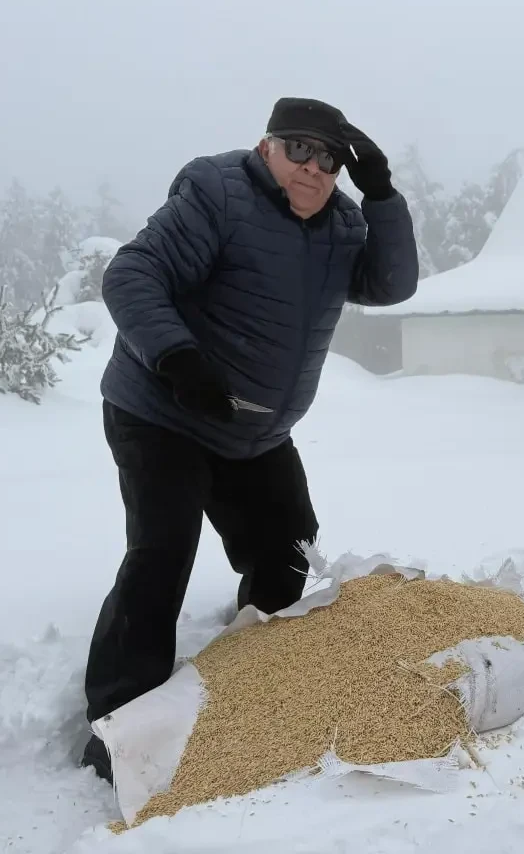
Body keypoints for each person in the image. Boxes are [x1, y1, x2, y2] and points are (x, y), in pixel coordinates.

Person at [80, 97, 418, 783]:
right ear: (267, 147)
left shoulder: (342, 226)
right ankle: (120, 726)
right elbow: (132, 274)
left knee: (289, 548)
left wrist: (381, 194)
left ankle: (255, 679)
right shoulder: (217, 195)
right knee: (162, 552)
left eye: (331, 159)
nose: (314, 168)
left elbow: (392, 285)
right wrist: (178, 359)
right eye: (300, 149)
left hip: (254, 430)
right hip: (164, 410)